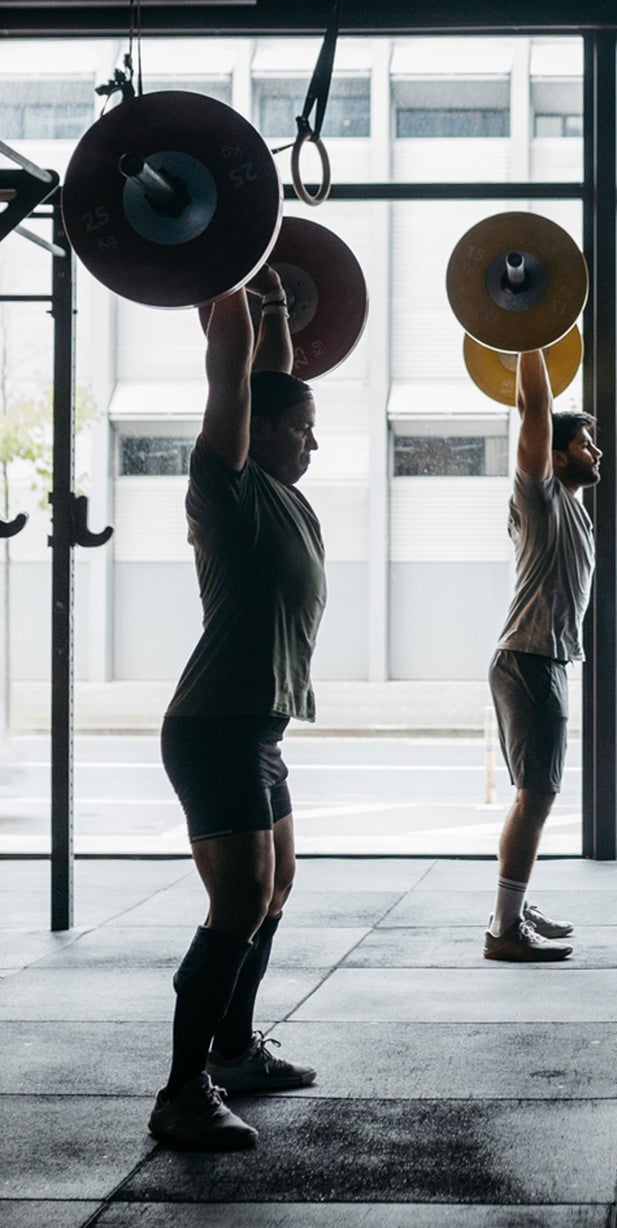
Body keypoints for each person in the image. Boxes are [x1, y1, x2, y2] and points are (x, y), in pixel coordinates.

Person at [148, 270, 324, 1151]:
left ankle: (233, 1050)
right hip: (215, 727)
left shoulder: (281, 495)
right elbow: (234, 377)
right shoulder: (228, 484)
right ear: (258, 434)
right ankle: (182, 1091)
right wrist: (223, 276)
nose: (312, 445)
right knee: (239, 901)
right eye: (302, 431)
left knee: (276, 886)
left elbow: (266, 379)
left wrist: (279, 305)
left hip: (258, 730)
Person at [483, 347, 599, 961]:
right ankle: (504, 929)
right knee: (537, 795)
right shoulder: (540, 498)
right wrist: (527, 332)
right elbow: (533, 409)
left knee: (538, 793)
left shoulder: (571, 511)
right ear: (553, 456)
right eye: (585, 443)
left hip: (545, 661)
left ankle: (514, 904)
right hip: (528, 659)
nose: (597, 452)